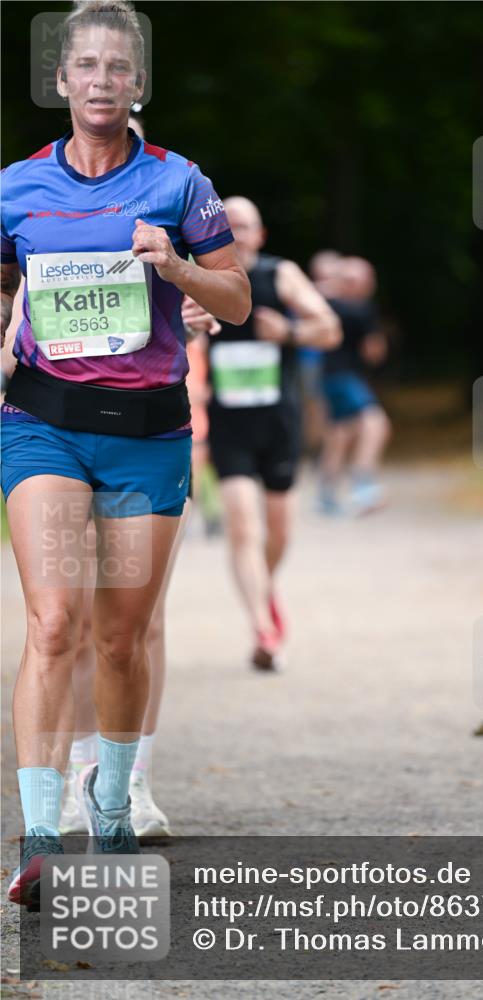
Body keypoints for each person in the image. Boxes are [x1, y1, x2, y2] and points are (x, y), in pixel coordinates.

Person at [1, 0, 250, 908]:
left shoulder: (179, 184)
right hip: (44, 423)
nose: (102, 82)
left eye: (119, 69)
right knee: (54, 621)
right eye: (86, 67)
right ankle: (38, 836)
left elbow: (237, 301)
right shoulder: (14, 189)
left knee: (117, 636)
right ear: (61, 80)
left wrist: (178, 268)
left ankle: (109, 809)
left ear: (137, 84)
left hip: (147, 433)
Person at [57, 118, 222, 841]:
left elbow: (212, 298)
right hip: (60, 433)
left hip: (147, 433)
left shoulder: (170, 208)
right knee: (71, 620)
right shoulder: (47, 221)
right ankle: (74, 777)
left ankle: (130, 780)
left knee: (138, 621)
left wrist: (191, 300)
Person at [206, 197, 340, 670]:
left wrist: (288, 332)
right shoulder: (202, 279)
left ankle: (265, 590)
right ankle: (263, 628)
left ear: (260, 234)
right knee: (243, 525)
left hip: (278, 421)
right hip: (228, 424)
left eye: (245, 227)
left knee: (279, 531)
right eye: (229, 226)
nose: (237, 235)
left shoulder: (280, 275)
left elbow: (330, 328)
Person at [316, 256, 391, 515]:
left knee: (339, 434)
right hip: (345, 377)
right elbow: (374, 352)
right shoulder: (361, 309)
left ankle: (326, 496)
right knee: (375, 422)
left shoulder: (323, 302)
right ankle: (363, 484)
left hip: (328, 377)